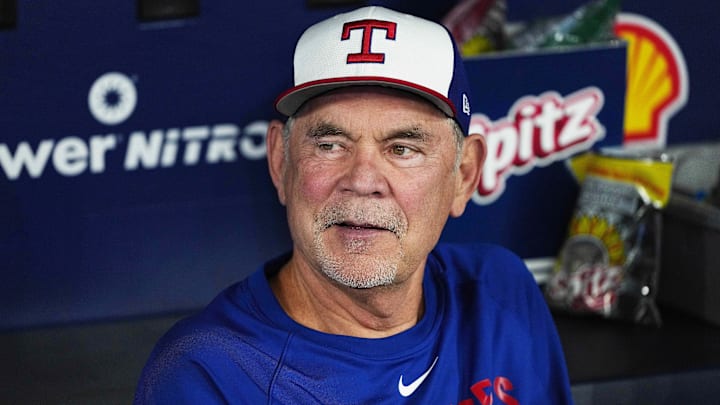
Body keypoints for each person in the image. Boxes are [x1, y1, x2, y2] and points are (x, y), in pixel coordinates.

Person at [135, 6, 573, 404]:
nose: (362, 181)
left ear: (463, 176)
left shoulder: (499, 290)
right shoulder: (208, 375)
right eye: (329, 144)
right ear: (280, 163)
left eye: (402, 148)